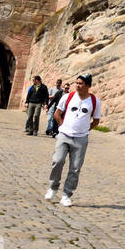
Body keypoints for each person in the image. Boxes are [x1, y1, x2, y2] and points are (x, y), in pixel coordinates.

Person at [44, 75, 102, 207]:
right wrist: (62, 126)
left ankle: (66, 195)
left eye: (81, 83)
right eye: (77, 83)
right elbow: (57, 113)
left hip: (81, 139)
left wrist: (85, 130)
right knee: (57, 161)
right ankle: (53, 188)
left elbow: (96, 120)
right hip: (64, 135)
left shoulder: (95, 101)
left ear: (88, 86)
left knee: (75, 168)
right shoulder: (68, 97)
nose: (77, 85)